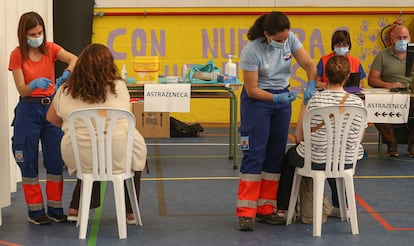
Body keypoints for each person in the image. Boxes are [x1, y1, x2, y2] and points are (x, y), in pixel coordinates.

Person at [46, 43, 147, 224]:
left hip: (79, 156)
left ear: (81, 64)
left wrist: (72, 119)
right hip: (117, 155)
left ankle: (75, 208)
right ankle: (130, 212)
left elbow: (51, 119)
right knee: (128, 151)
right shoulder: (120, 87)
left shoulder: (65, 90)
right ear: (109, 65)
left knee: (90, 152)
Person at [236, 11, 317, 231]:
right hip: (258, 102)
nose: (284, 43)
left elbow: (310, 65)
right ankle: (246, 211)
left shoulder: (290, 39)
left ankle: (266, 208)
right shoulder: (251, 51)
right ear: (266, 34)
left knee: (275, 154)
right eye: (279, 40)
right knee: (255, 154)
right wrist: (275, 98)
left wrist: (311, 84)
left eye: (285, 38)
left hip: (282, 99)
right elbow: (252, 89)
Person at [8, 11, 77, 225]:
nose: (37, 36)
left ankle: (56, 209)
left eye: (39, 32)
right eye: (32, 33)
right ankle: (35, 212)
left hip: (50, 109)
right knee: (27, 160)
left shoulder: (51, 49)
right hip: (28, 110)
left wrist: (67, 73)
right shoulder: (17, 55)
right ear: (24, 34)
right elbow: (21, 88)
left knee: (55, 159)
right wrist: (34, 84)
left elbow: (75, 58)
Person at [277, 55, 366, 220]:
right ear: (347, 77)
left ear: (325, 75)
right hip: (347, 160)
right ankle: (342, 205)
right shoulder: (358, 103)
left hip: (315, 159)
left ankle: (283, 208)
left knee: (290, 158)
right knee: (335, 157)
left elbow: (299, 137)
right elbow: (358, 139)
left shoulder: (312, 99)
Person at [368, 25, 413, 157]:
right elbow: (372, 79)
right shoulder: (382, 55)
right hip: (390, 97)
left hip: (411, 95)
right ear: (392, 39)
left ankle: (413, 144)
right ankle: (391, 143)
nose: (402, 40)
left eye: (405, 37)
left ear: (410, 38)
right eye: (399, 37)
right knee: (373, 107)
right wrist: (388, 85)